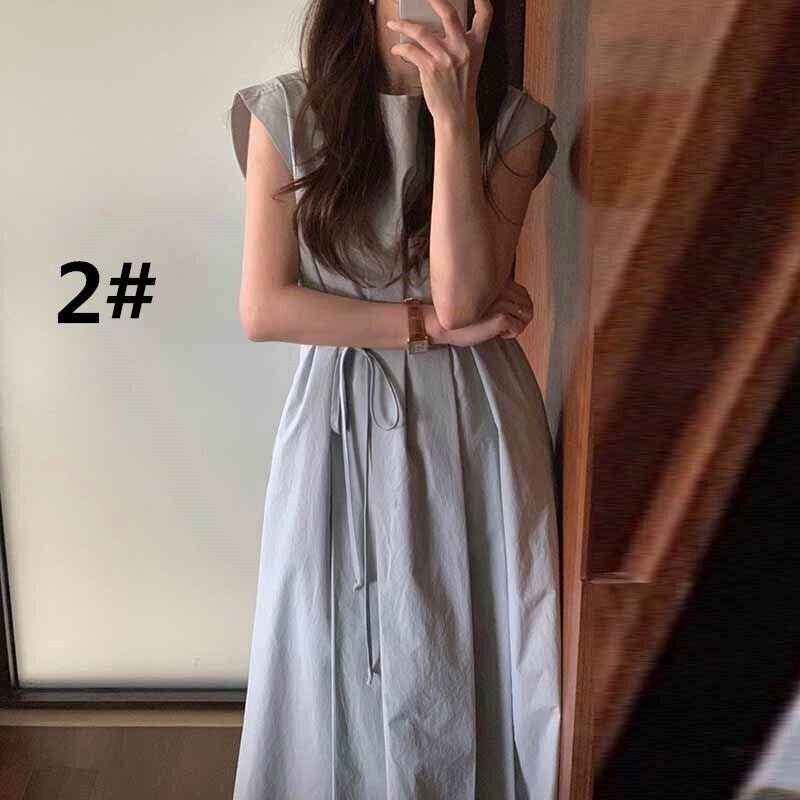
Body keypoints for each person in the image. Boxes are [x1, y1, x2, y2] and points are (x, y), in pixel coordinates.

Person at [226, 0, 561, 795]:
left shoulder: (513, 125)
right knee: (330, 641)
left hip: (473, 418)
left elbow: (464, 299)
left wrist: (453, 119)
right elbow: (265, 310)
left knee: (472, 635)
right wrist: (423, 327)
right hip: (338, 415)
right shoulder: (285, 112)